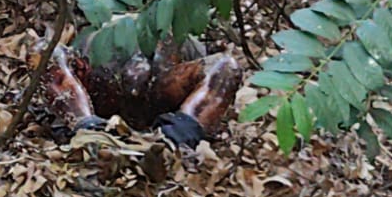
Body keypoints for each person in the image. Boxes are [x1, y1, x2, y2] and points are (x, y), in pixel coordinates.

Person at [39, 33, 241, 148]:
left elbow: (221, 70)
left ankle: (175, 143)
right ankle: (89, 133)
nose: (134, 73)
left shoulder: (183, 44)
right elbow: (47, 56)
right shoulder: (94, 43)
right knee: (45, 52)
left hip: (162, 106)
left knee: (226, 66)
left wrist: (182, 134)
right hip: (96, 108)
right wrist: (83, 122)